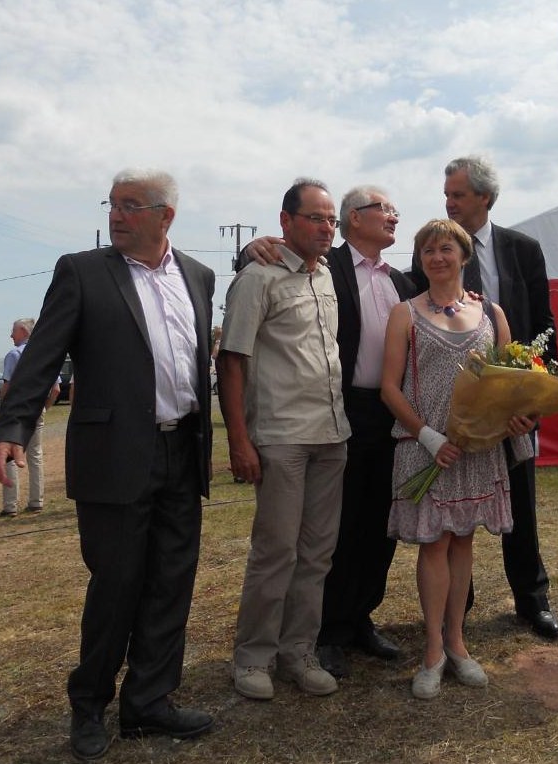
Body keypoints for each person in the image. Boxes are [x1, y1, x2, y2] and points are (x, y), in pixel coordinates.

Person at [0, 168, 216, 760]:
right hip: (115, 457)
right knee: (115, 586)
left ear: (166, 216)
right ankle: (89, 705)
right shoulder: (82, 272)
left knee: (171, 584)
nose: (117, 215)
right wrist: (11, 427)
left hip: (181, 451)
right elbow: (42, 357)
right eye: (113, 205)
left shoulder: (199, 275)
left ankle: (149, 703)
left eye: (131, 206)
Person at [236, 187, 415, 680]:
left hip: (377, 416)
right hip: (320, 416)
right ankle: (307, 638)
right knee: (302, 541)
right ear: (355, 219)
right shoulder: (321, 266)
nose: (325, 227)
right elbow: (246, 334)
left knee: (368, 529)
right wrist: (248, 248)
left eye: (328, 220)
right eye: (385, 209)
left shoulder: (397, 278)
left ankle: (350, 622)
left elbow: (438, 296)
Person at [382, 218, 532, 699]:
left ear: (464, 256)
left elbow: (509, 384)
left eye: (446, 248)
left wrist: (516, 416)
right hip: (427, 450)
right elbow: (390, 387)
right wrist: (428, 437)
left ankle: (458, 642)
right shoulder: (403, 313)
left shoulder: (493, 313)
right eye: (427, 250)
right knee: (434, 545)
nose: (437, 257)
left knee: (463, 541)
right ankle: (431, 650)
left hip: (475, 451)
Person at [414, 155, 558, 641]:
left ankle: (531, 600)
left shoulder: (522, 249)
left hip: (511, 409)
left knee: (521, 506)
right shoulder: (436, 249)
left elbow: (544, 326)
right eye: (447, 193)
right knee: (456, 511)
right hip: (452, 411)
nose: (449, 202)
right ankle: (459, 606)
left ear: (485, 199)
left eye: (457, 194)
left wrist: (532, 400)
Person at [220, 178, 351, 701]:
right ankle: (253, 657)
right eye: (315, 218)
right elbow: (232, 360)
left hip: (332, 433)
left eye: (331, 220)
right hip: (279, 436)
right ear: (286, 221)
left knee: (317, 553)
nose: (325, 228)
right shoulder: (259, 276)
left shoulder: (327, 276)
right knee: (276, 551)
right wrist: (238, 440)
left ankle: (298, 651)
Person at [0, 318, 60, 517]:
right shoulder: (45, 353)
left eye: (13, 331)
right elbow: (56, 389)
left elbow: (6, 386)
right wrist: (44, 408)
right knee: (36, 456)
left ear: (23, 331)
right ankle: (36, 501)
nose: (10, 335)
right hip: (37, 408)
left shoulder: (14, 355)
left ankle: (10, 506)